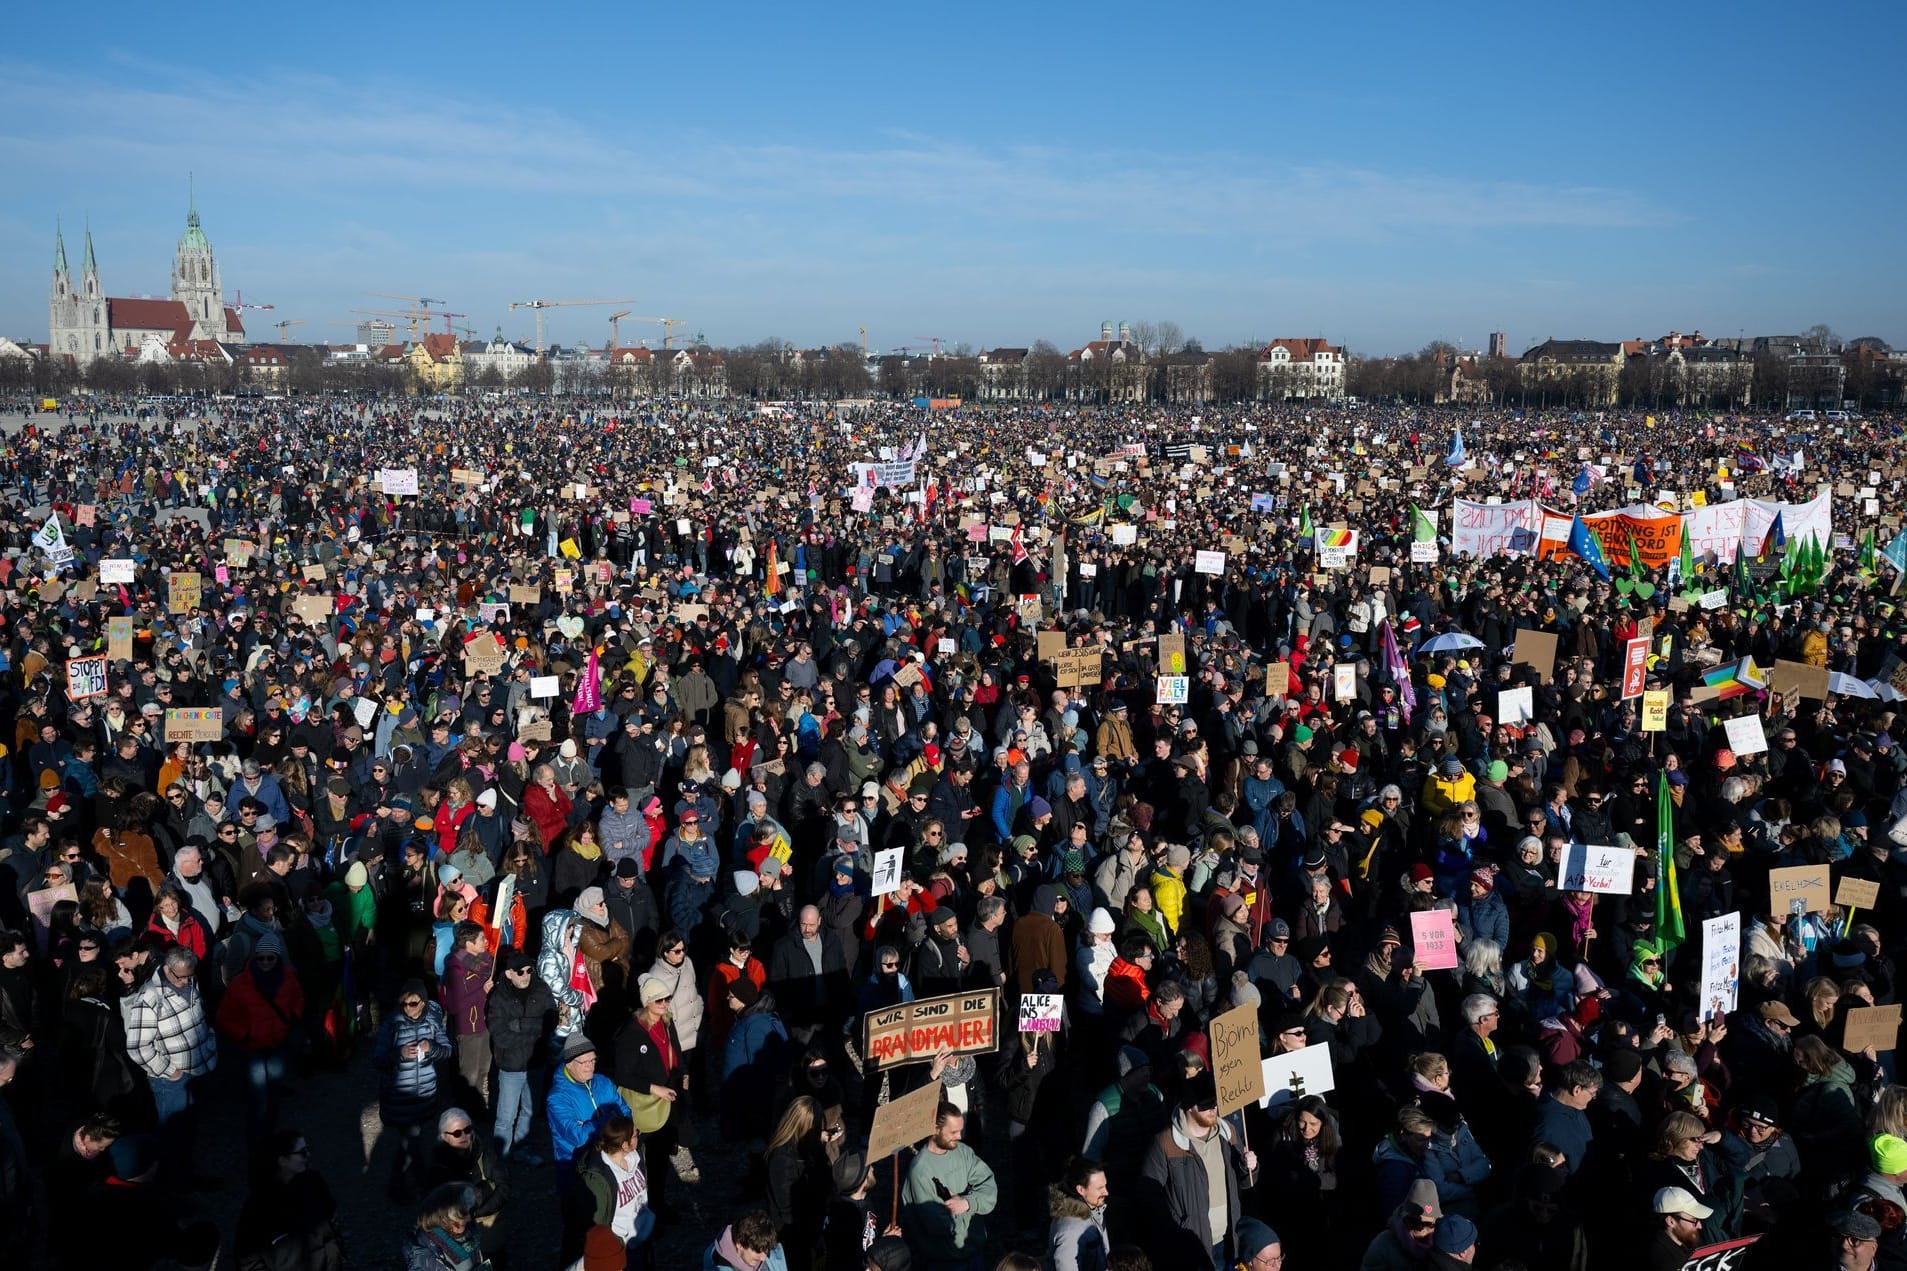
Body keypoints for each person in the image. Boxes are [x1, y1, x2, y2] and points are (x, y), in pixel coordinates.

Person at [1137, 1072, 1255, 1269]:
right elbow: (1148, 1197)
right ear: (1189, 1107)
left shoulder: (1229, 1133)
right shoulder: (1166, 1143)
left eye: (1215, 1104)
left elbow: (1246, 1182)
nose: (1213, 1109)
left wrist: (1250, 1167)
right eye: (1206, 1105)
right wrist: (1177, 1229)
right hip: (1192, 1246)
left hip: (1229, 1240)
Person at [375, 978, 454, 1201]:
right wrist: (398, 1054)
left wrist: (432, 1048)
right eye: (404, 1004)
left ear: (424, 1003)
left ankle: (411, 1185)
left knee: (412, 1144)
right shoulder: (391, 1025)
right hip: (400, 1098)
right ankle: (411, 1186)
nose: (408, 1008)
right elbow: (378, 1060)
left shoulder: (432, 1022)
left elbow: (447, 1050)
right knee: (411, 1142)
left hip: (424, 1095)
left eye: (413, 1003)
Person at [902, 1101, 998, 1271]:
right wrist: (975, 1206)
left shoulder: (963, 1151)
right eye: (953, 1132)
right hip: (945, 1261)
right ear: (934, 1129)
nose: (960, 1136)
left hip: (974, 1253)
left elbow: (990, 1189)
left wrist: (966, 1203)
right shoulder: (920, 1171)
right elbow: (940, 1225)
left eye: (960, 1130)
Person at [234, 1127, 345, 1271]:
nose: (308, 1155)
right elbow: (248, 1261)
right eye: (302, 1153)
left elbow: (331, 1221)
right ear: (283, 1161)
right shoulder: (258, 1208)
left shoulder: (314, 1182)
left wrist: (336, 1256)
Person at [487, 949, 555, 1163]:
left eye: (528, 970)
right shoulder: (498, 997)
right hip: (512, 1065)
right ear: (508, 974)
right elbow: (500, 1036)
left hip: (536, 1063)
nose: (526, 975)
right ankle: (501, 1158)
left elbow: (552, 1021)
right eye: (520, 972)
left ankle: (521, 1148)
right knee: (505, 1117)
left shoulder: (541, 989)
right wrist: (536, 1033)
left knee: (529, 1110)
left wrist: (521, 1025)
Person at [425, 1107, 510, 1261]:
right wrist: (487, 1189)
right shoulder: (438, 1167)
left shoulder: (485, 1151)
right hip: (457, 1237)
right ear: (443, 1136)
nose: (464, 1135)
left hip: (489, 1233)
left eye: (467, 1130)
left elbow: (504, 1187)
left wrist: (474, 1213)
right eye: (457, 1133)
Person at [575, 1114, 656, 1266]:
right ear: (625, 1145)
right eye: (635, 1134)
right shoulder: (599, 1179)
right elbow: (598, 1222)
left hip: (644, 1235)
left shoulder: (636, 1157)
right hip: (623, 1246)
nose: (639, 1135)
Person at [548, 1032, 631, 1172]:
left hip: (612, 1156)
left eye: (593, 1060)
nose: (590, 1066)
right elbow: (578, 1137)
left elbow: (624, 1110)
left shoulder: (603, 1082)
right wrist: (609, 1120)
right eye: (584, 1062)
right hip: (578, 1164)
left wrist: (590, 1125)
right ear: (569, 1064)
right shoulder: (557, 1098)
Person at [401, 1184, 491, 1271]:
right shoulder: (425, 1257)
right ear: (446, 1221)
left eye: (468, 1211)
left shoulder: (468, 1233)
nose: (469, 1218)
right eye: (464, 1215)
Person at [1049, 1156, 1111, 1271]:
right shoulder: (1071, 1231)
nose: (1106, 1192)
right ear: (1081, 1190)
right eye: (1100, 1188)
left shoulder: (1095, 1210)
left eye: (1105, 1186)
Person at [1642, 1186, 1710, 1271]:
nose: (1700, 1226)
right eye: (1694, 1220)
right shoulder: (1660, 1259)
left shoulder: (1687, 1240)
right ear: (1670, 1221)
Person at [702, 1210, 788, 1270]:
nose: (764, 1257)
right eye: (758, 1251)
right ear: (739, 1244)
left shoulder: (764, 1245)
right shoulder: (720, 1266)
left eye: (766, 1250)